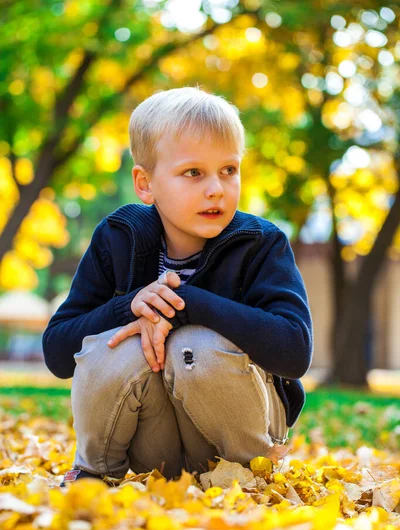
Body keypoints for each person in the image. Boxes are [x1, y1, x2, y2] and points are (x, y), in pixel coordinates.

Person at [42, 86, 313, 487]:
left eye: (229, 170)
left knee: (194, 347)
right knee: (115, 344)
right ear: (145, 184)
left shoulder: (259, 242)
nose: (216, 189)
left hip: (243, 435)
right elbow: (58, 353)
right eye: (193, 172)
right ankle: (93, 473)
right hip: (157, 444)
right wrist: (130, 307)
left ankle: (248, 480)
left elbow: (294, 352)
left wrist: (187, 305)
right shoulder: (119, 236)